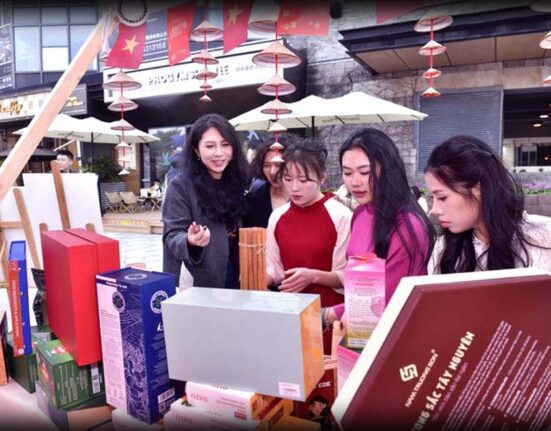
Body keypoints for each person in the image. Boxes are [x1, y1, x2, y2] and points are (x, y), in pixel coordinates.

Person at [266, 139, 352, 352]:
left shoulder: (341, 216)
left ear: (322, 177)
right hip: (290, 313)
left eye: (304, 180)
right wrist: (253, 277)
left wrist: (313, 276)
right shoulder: (277, 217)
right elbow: (274, 270)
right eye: (288, 179)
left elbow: (346, 276)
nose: (294, 188)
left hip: (330, 314)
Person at [425, 135, 551, 274]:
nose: (434, 210)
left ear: (478, 188)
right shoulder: (444, 250)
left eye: (442, 197)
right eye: (432, 197)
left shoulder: (542, 238)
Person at [341, 128, 436, 303]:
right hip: (355, 321)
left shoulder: (407, 226)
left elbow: (390, 298)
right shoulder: (360, 213)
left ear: (388, 170)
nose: (354, 182)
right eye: (347, 173)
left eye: (364, 172)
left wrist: (328, 313)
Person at [162, 113, 250, 289]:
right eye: (210, 146)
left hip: (238, 268)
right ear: (196, 150)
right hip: (202, 274)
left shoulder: (238, 181)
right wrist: (190, 240)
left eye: (225, 145)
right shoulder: (181, 185)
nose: (219, 153)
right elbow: (172, 235)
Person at [243, 136, 296, 228]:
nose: (272, 171)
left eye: (278, 165)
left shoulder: (305, 197)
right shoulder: (253, 200)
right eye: (266, 165)